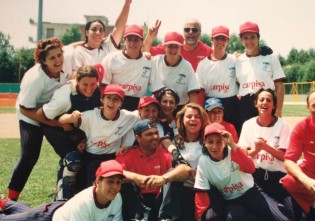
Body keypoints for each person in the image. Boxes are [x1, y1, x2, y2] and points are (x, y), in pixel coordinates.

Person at [7, 37, 73, 201]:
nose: (58, 60)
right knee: (29, 156)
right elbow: (25, 108)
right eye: (52, 58)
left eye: (59, 55)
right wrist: (55, 123)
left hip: (50, 110)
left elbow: (75, 45)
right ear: (43, 61)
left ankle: (68, 192)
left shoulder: (66, 63)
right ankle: (10, 200)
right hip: (30, 114)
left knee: (70, 152)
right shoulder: (35, 78)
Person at [194, 123, 293, 221]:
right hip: (232, 200)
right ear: (205, 143)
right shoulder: (203, 161)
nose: (215, 147)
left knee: (281, 219)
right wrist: (199, 216)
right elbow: (201, 191)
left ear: (225, 142)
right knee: (233, 218)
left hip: (251, 193)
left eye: (219, 142)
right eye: (210, 142)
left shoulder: (234, 151)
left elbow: (251, 168)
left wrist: (232, 145)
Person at [38, 65, 102, 199]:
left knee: (81, 160)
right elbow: (43, 115)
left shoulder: (98, 93)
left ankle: (73, 194)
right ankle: (62, 198)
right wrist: (61, 125)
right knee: (72, 160)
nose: (89, 88)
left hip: (74, 128)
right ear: (77, 82)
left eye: (93, 84)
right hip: (53, 126)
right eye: (85, 84)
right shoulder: (65, 95)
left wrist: (82, 139)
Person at [58, 84, 138, 187]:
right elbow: (61, 119)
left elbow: (144, 115)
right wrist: (71, 116)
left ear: (121, 103)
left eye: (116, 99)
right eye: (108, 97)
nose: (111, 102)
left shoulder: (127, 117)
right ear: (102, 99)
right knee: (83, 183)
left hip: (112, 157)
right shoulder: (91, 116)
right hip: (90, 156)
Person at [115, 119, 193, 221]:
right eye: (149, 134)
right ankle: (139, 218)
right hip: (138, 201)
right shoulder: (128, 155)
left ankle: (166, 218)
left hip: (161, 201)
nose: (155, 137)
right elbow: (110, 171)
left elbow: (186, 170)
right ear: (138, 138)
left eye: (156, 133)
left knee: (173, 174)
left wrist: (164, 178)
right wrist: (136, 178)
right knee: (124, 180)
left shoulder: (164, 154)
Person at [0, 160, 124, 221]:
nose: (115, 187)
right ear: (98, 182)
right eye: (110, 181)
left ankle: (5, 203)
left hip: (63, 208)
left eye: (118, 182)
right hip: (48, 217)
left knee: (27, 213)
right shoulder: (84, 203)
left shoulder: (117, 198)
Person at [238, 88, 291, 204]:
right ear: (256, 104)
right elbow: (243, 155)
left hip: (278, 177)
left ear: (273, 105)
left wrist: (266, 147)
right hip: (256, 175)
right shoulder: (248, 125)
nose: (264, 103)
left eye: (269, 100)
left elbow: (285, 156)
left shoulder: (282, 125)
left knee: (292, 212)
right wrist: (256, 150)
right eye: (261, 100)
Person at [143, 19, 213, 105]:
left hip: (194, 103)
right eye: (187, 29)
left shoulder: (208, 51)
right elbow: (145, 53)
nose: (190, 32)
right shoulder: (171, 46)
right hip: (165, 104)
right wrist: (150, 36)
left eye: (194, 30)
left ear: (200, 32)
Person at [161, 103, 209, 220]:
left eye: (197, 117)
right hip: (182, 189)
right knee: (171, 172)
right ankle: (165, 216)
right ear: (182, 120)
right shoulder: (176, 141)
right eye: (189, 116)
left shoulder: (209, 141)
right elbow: (163, 141)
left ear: (202, 120)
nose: (193, 119)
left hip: (204, 188)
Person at [101, 24, 164, 111]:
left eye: (136, 40)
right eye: (129, 39)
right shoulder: (111, 58)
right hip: (115, 102)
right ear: (124, 41)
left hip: (138, 105)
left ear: (141, 42)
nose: (132, 43)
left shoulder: (149, 61)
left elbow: (157, 90)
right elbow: (103, 86)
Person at [235, 21, 286, 129]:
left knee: (268, 137)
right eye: (245, 38)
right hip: (245, 105)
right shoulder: (237, 61)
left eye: (252, 37)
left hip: (266, 102)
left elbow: (279, 86)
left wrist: (278, 111)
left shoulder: (271, 58)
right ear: (241, 40)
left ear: (258, 38)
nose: (249, 41)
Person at [196, 25, 240, 134]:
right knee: (212, 135)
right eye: (217, 38)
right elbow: (200, 91)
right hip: (211, 104)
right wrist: (201, 111)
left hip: (231, 104)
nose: (220, 41)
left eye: (223, 39)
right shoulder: (203, 64)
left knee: (232, 134)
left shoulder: (235, 61)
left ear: (228, 40)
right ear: (212, 40)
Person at [280, 89, 315, 221]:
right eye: (314, 105)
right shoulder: (302, 127)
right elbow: (289, 160)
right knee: (289, 181)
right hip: (312, 170)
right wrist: (306, 180)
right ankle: (312, 203)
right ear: (307, 108)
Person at [72, 0, 132, 70]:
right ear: (86, 32)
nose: (98, 33)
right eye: (94, 29)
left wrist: (127, 3)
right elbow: (76, 75)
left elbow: (119, 27)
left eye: (101, 30)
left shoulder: (107, 47)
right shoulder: (79, 51)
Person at [151, 31, 200, 109]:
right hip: (159, 106)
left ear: (181, 48)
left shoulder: (186, 66)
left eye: (176, 46)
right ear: (164, 47)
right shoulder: (156, 60)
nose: (173, 49)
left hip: (179, 107)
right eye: (170, 46)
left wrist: (189, 111)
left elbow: (193, 93)